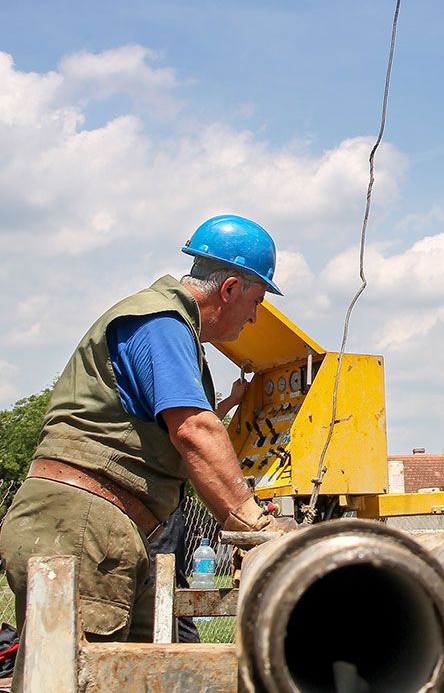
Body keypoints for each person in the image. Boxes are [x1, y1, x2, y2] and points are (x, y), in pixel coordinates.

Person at [0, 214, 296, 682]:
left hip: (108, 530)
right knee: (71, 678)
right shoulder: (160, 322)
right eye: (256, 301)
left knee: (133, 676)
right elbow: (195, 431)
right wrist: (254, 526)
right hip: (82, 528)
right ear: (230, 288)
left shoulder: (168, 327)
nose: (256, 316)